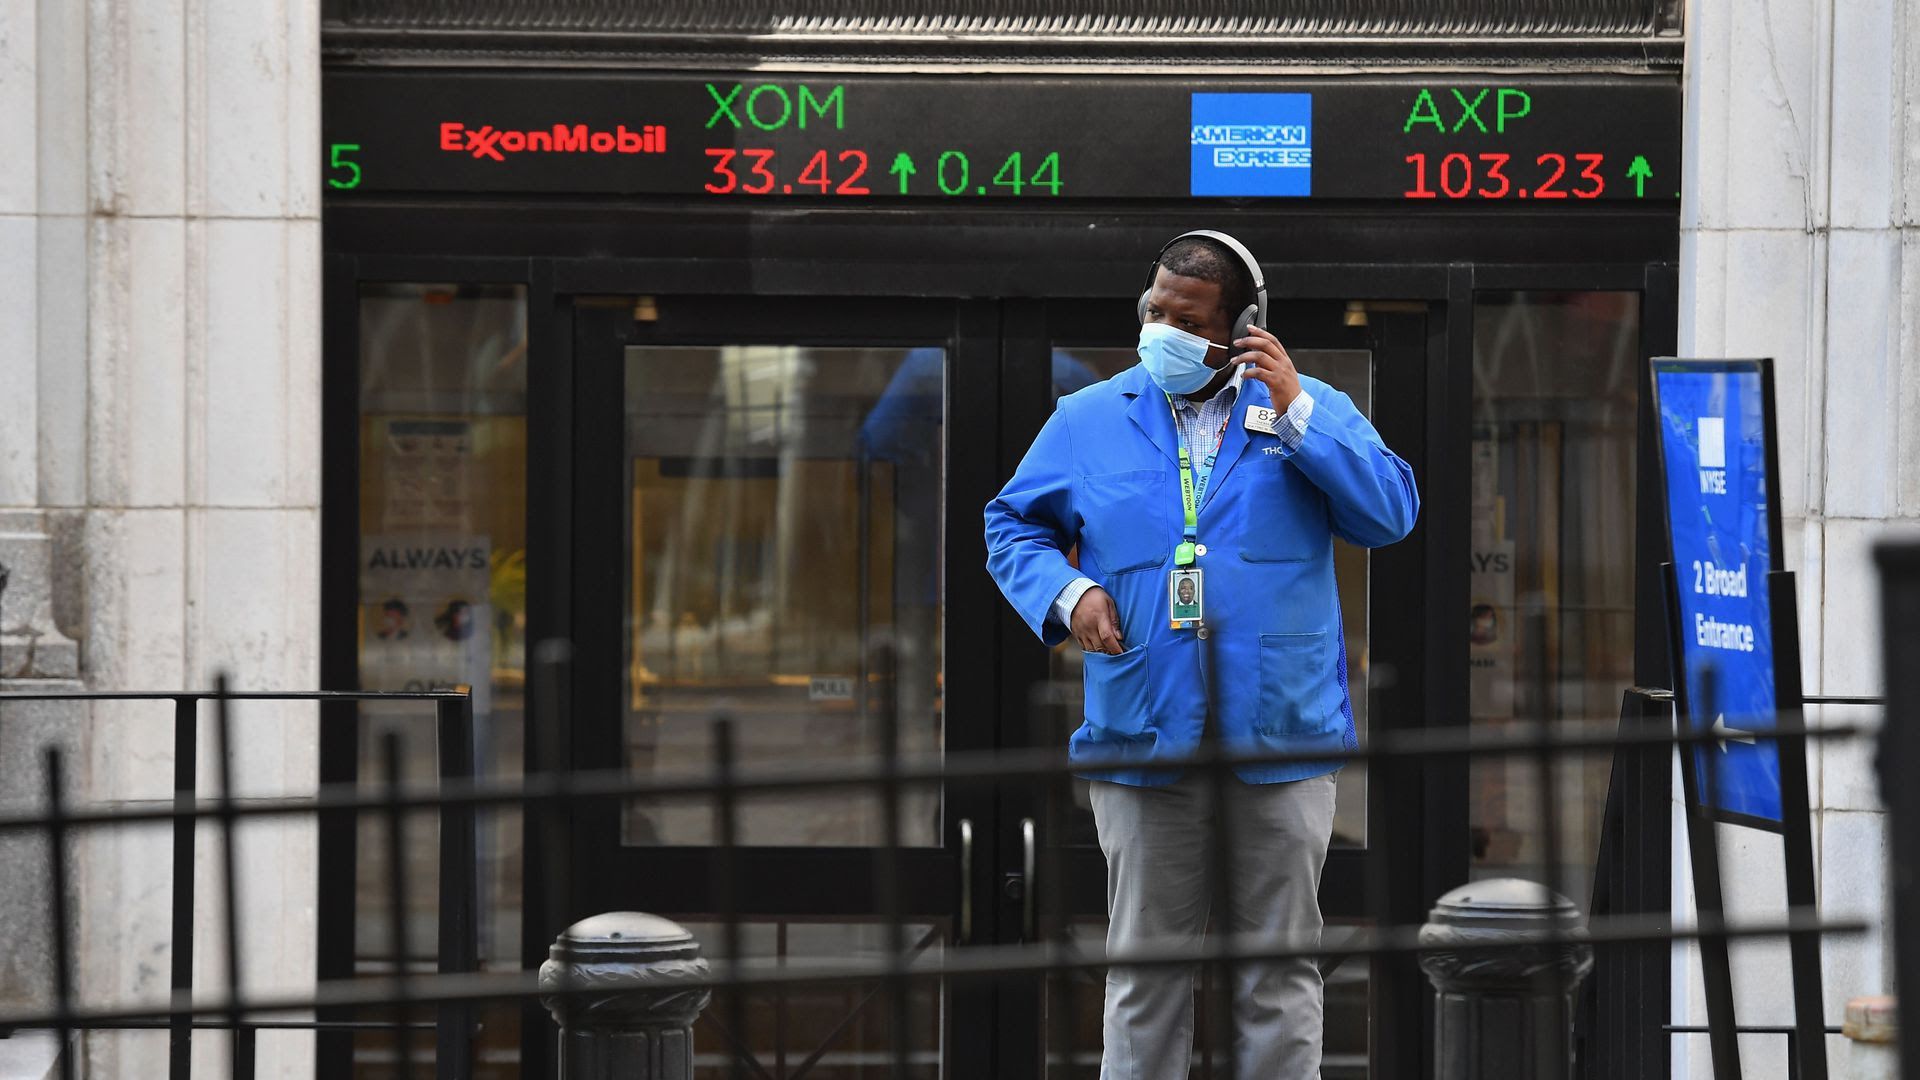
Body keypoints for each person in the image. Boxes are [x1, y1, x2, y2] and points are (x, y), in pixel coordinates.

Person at [983, 231, 1419, 1078]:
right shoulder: (1090, 417)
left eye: (1187, 318)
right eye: (1155, 309)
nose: (1163, 329)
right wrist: (1071, 595)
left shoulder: (1303, 407)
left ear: (1242, 326)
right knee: (1146, 977)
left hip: (1283, 738)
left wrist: (1299, 412)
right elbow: (1011, 524)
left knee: (1279, 976)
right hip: (1143, 735)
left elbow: (1391, 512)